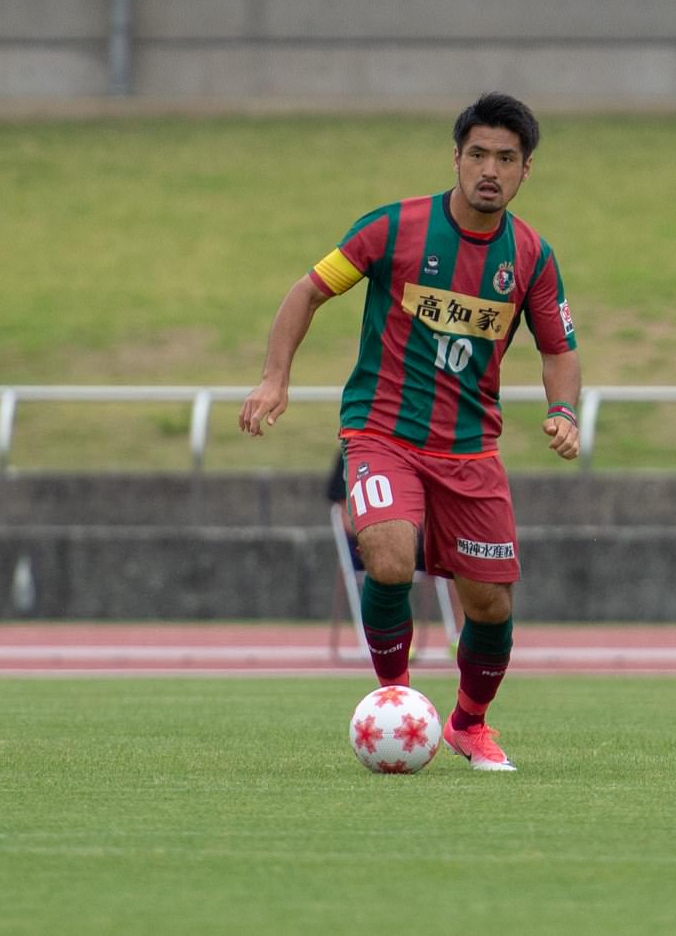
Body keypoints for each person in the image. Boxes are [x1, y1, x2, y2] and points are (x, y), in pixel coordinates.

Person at [239, 92, 581, 773]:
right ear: (455, 157)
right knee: (390, 556)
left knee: (490, 605)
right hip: (382, 432)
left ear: (525, 169)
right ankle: (395, 700)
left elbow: (558, 349)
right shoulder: (393, 229)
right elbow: (308, 291)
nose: (490, 170)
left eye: (505, 158)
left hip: (471, 449)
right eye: (478, 154)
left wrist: (564, 411)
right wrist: (275, 378)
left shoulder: (532, 257)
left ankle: (468, 724)